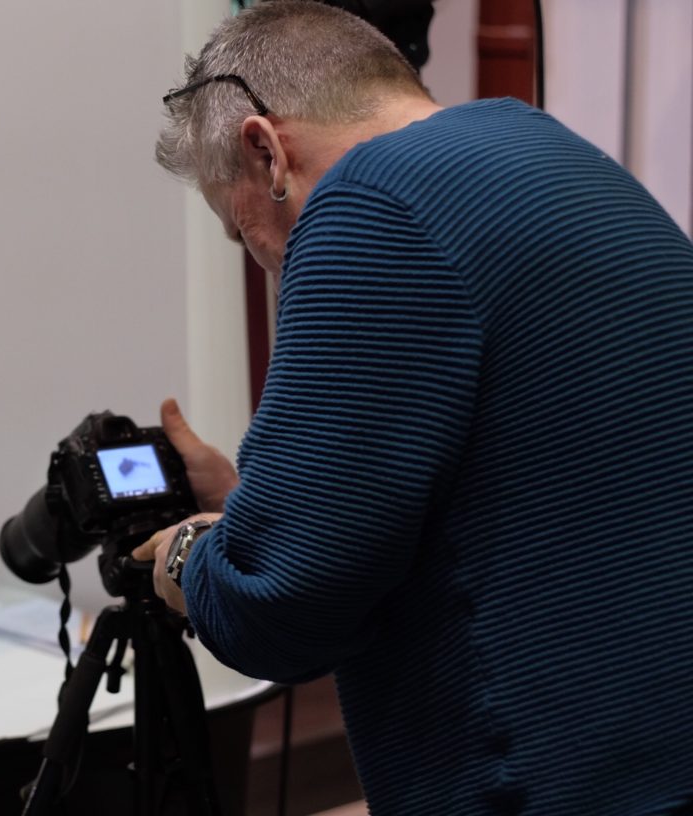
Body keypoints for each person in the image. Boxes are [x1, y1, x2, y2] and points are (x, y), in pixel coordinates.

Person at [131, 1, 693, 814]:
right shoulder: (552, 151)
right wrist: (252, 510)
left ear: (265, 149)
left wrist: (187, 559)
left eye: (240, 229)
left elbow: (281, 608)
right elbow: (514, 480)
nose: (263, 260)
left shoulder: (366, 210)